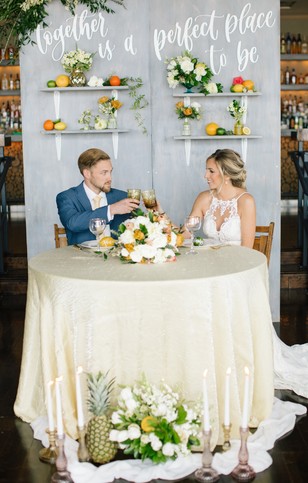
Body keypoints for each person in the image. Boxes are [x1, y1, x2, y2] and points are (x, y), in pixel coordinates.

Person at [56, 148, 140, 245]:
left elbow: (141, 227)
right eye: (104, 173)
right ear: (87, 173)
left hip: (116, 257)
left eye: (110, 172)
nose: (110, 178)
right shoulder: (67, 197)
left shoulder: (122, 197)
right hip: (82, 258)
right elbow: (73, 223)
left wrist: (156, 214)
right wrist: (111, 210)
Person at [188, 148, 256, 248]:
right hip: (209, 259)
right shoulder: (203, 198)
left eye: (211, 171)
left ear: (227, 175)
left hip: (237, 261)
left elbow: (247, 248)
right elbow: (187, 232)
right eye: (206, 170)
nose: (205, 175)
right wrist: (163, 218)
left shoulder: (246, 201)